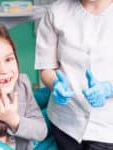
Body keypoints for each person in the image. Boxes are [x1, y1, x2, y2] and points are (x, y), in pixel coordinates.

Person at [35, 0, 113, 149]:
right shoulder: (56, 12)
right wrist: (55, 84)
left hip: (108, 128)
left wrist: (109, 88)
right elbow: (46, 69)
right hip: (65, 123)